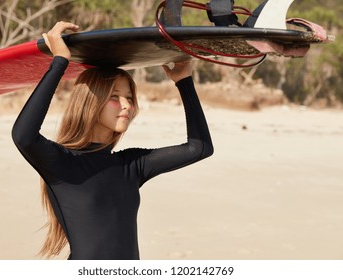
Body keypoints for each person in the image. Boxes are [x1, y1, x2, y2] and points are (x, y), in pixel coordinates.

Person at [12, 21, 213, 260]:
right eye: (115, 97)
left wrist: (184, 80)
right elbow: (23, 135)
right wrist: (59, 62)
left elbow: (199, 148)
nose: (127, 105)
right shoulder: (63, 164)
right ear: (91, 102)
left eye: (129, 97)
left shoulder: (131, 165)